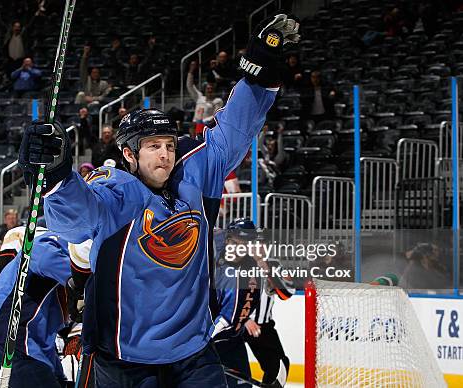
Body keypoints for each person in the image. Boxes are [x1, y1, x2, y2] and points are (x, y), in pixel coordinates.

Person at [17, 14, 300, 387]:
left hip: (193, 353)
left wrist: (260, 69)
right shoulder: (114, 190)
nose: (164, 155)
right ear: (129, 154)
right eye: (152, 147)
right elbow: (74, 221)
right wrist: (53, 175)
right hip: (124, 358)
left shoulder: (197, 172)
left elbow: (236, 129)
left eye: (168, 145)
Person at [0, 232, 69, 388]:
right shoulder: (55, 242)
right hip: (5, 339)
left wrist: (60, 379)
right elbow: (40, 252)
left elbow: (42, 345)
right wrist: (82, 280)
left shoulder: (22, 285)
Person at [213, 219, 294, 388]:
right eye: (258, 243)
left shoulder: (273, 265)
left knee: (278, 362)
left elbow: (287, 293)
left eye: (264, 243)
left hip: (261, 327)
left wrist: (265, 268)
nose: (260, 246)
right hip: (239, 324)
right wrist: (244, 319)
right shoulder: (230, 260)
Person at [186, 60, 223, 137]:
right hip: (195, 124)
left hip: (207, 125)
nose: (209, 90)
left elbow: (215, 116)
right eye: (208, 88)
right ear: (205, 89)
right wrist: (191, 71)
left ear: (214, 90)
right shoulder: (199, 97)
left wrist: (202, 122)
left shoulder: (217, 101)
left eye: (211, 89)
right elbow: (190, 86)